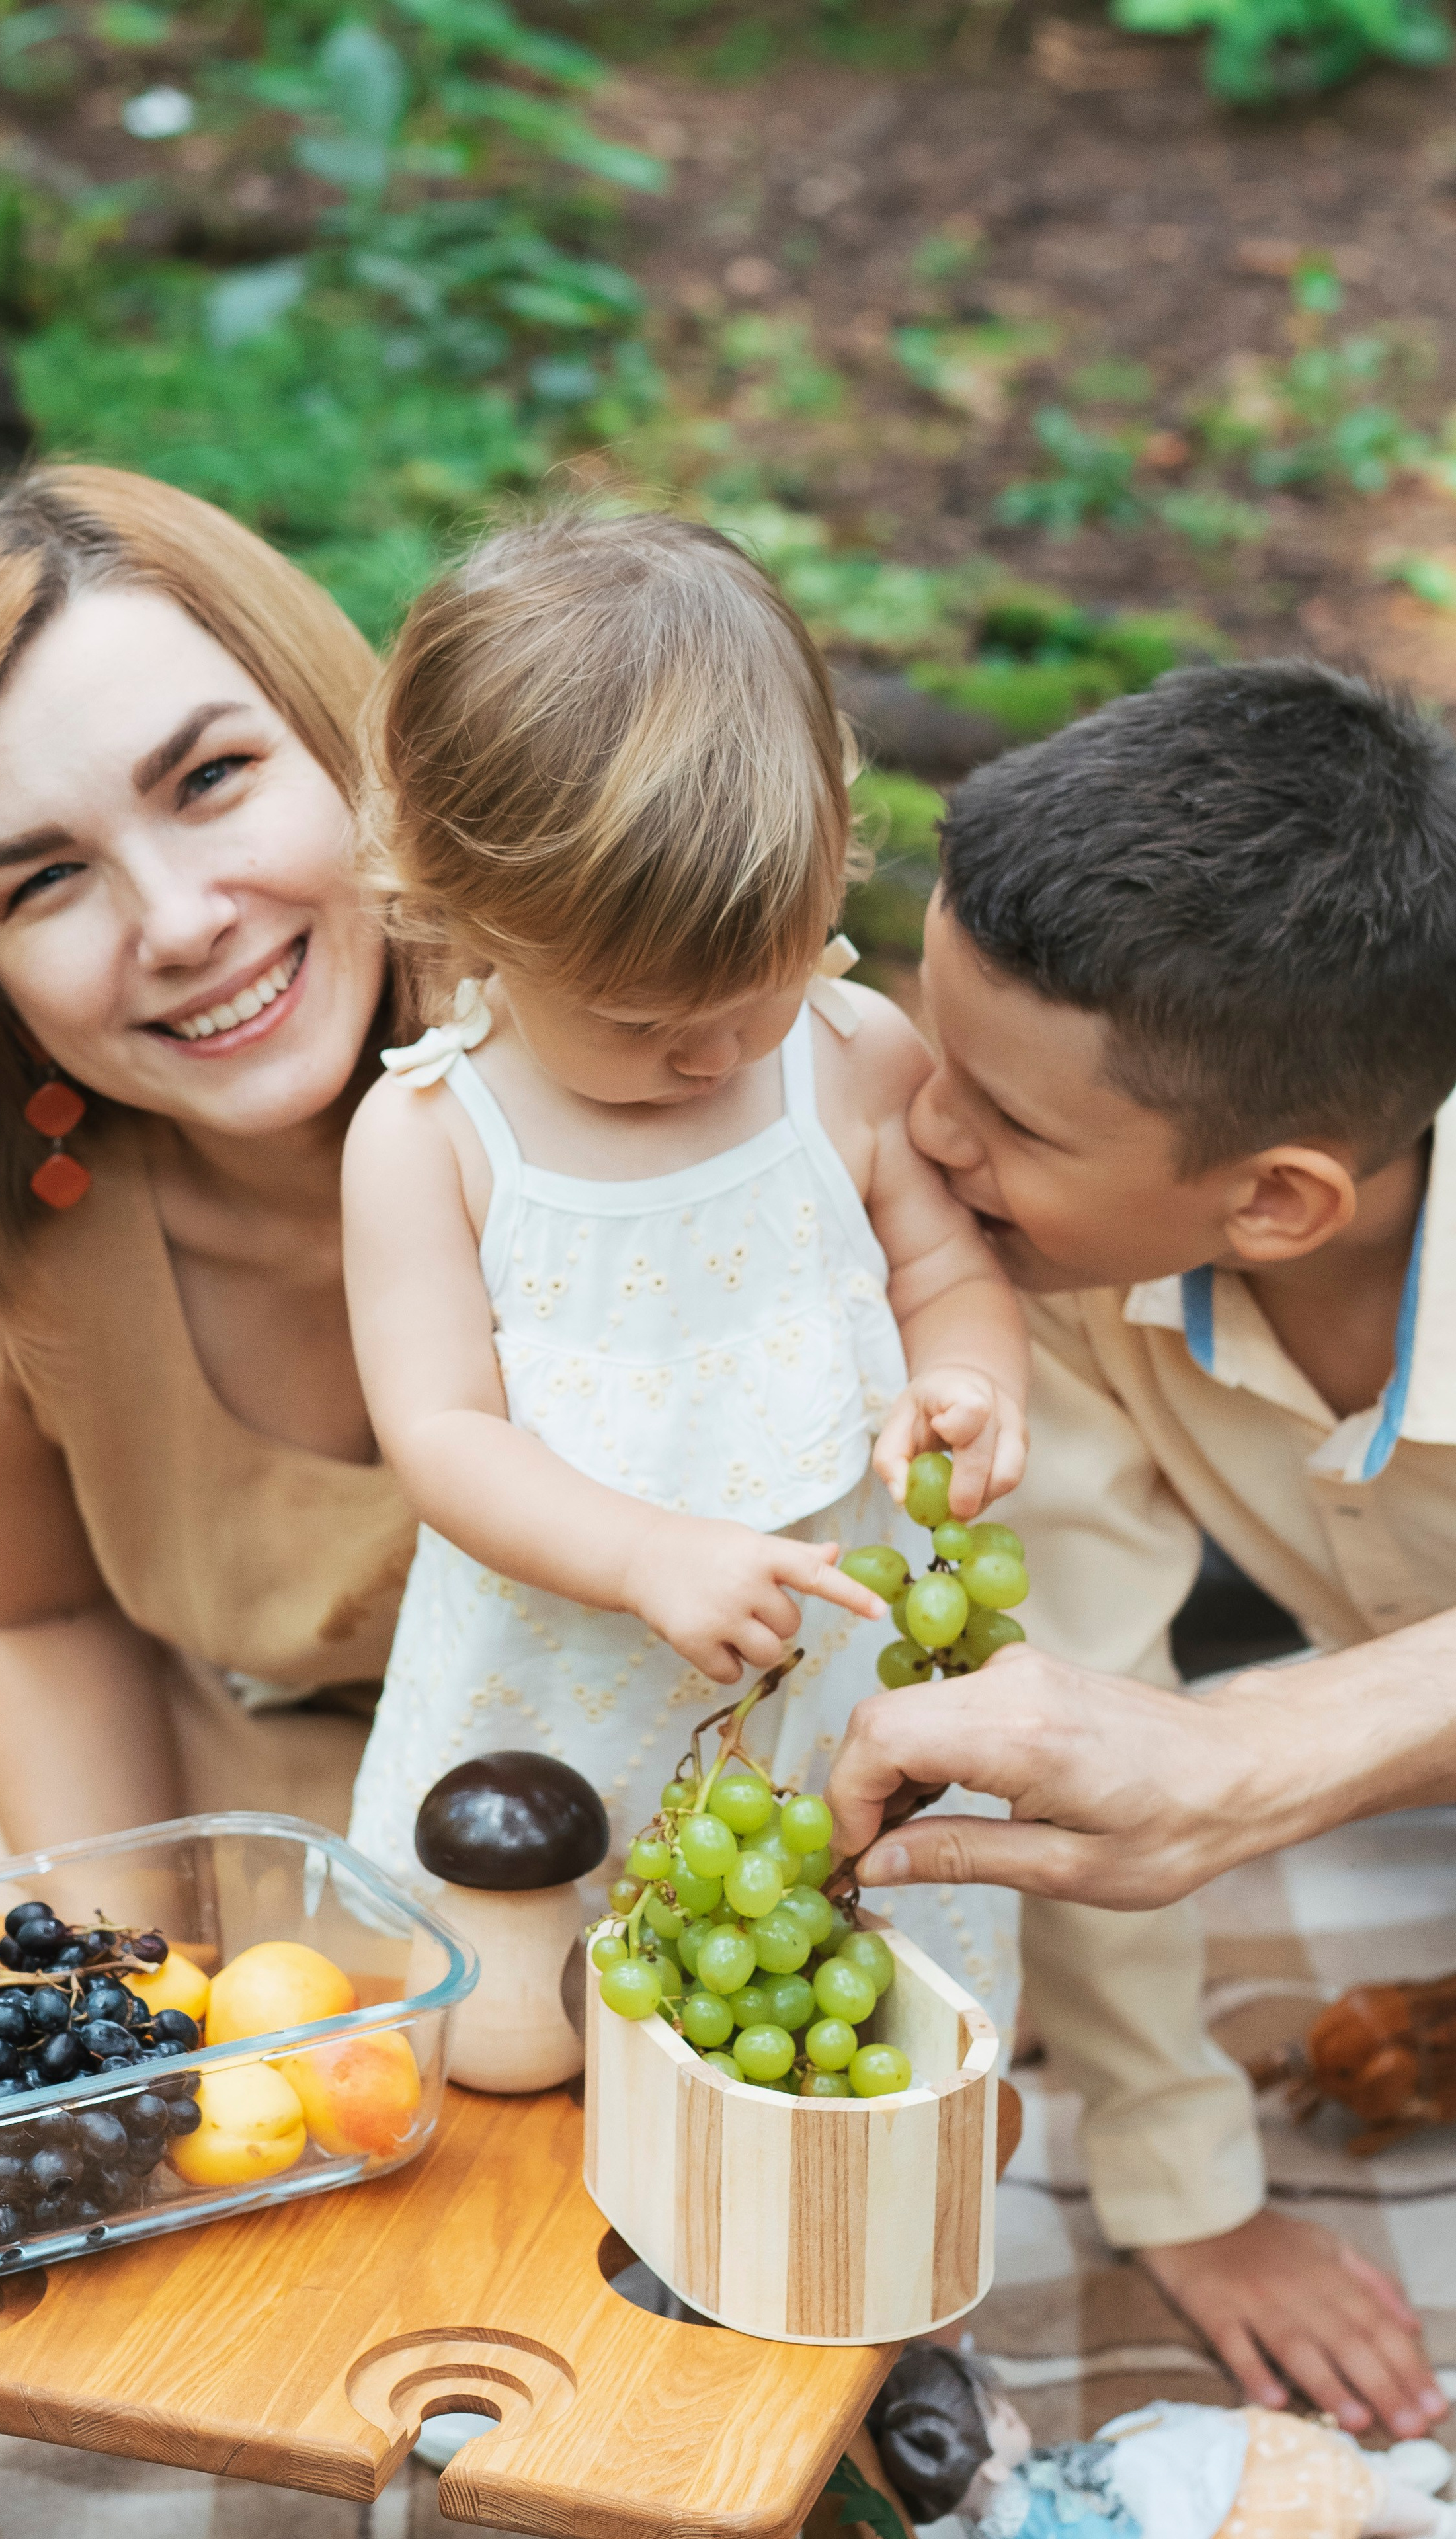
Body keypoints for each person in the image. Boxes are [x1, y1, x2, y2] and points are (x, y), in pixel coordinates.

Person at [823, 659, 1456, 2442]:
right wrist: (1190, 2182)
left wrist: (1272, 1751)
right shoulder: (1068, 1288)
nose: (928, 1135)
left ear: (1276, 1197)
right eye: (934, 1053)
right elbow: (1080, 1714)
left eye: (1010, 1120)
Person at [339, 511, 1030, 2011]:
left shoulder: (848, 1057)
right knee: (534, 1997)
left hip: (830, 1661)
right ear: (460, 904)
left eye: (758, 982)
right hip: (560, 1684)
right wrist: (646, 1553)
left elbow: (940, 1274)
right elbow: (440, 1430)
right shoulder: (432, 1136)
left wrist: (973, 1374)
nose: (711, 1049)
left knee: (842, 1967)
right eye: (639, 1020)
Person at [0, 463, 417, 1910]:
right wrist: (140, 2001)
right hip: (185, 1745)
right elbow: (36, 1609)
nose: (181, 923)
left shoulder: (615, 1073)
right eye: (43, 880)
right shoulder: (12, 1235)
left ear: (342, 741)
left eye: (210, 780)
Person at [864, 2343, 1456, 2538]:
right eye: (1002, 2417)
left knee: (1239, 2434)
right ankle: (1417, 2515)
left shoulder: (1011, 2498)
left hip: (1124, 2475)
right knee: (1284, 2484)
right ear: (988, 2468)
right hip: (1159, 2514)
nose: (1017, 2415)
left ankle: (1381, 2474)